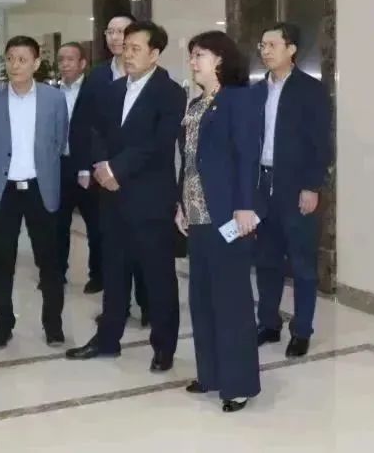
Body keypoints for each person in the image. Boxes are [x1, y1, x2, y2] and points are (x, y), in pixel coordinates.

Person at [66, 21, 186, 372]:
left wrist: (116, 170)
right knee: (114, 273)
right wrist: (102, 166)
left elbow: (157, 144)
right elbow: (96, 131)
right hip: (111, 197)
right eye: (125, 47)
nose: (127, 53)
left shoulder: (170, 92)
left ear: (155, 53)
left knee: (158, 277)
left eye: (136, 49)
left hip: (150, 199)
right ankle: (107, 340)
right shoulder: (114, 89)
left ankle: (163, 347)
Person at [175, 31, 261, 413]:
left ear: (221, 59)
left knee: (232, 300)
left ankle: (238, 384)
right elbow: (189, 160)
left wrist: (245, 206)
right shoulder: (196, 104)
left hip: (227, 213)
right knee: (202, 298)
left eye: (200, 55)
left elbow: (247, 156)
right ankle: (210, 373)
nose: (193, 62)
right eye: (192, 55)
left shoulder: (238, 100)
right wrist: (181, 204)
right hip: (196, 214)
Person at [0, 35, 68, 350]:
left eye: (22, 59)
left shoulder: (54, 99)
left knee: (49, 262)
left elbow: (59, 141)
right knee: (3, 261)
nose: (15, 65)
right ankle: (3, 324)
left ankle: (53, 325)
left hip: (41, 189)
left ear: (36, 63)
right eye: (10, 59)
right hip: (5, 191)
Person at [253, 22, 332, 358]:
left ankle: (301, 330)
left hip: (296, 185)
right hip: (262, 185)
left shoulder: (310, 90)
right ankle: (268, 323)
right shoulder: (257, 90)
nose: (265, 51)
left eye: (272, 45)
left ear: (291, 49)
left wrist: (312, 186)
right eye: (262, 45)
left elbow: (321, 143)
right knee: (266, 260)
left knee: (302, 263)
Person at [81, 13, 149, 323]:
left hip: (141, 178)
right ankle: (116, 309)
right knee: (113, 248)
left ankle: (148, 306)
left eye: (122, 31)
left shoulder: (155, 80)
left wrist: (119, 168)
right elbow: (87, 124)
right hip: (104, 177)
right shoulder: (98, 76)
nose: (115, 37)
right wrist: (96, 167)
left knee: (143, 249)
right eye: (110, 31)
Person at [56, 42, 103, 293]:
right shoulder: (53, 92)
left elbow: (99, 132)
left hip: (88, 168)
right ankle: (56, 274)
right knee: (57, 224)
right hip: (60, 166)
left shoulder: (95, 91)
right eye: (61, 59)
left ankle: (98, 275)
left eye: (70, 59)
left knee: (95, 225)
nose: (64, 64)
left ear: (83, 63)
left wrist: (89, 166)